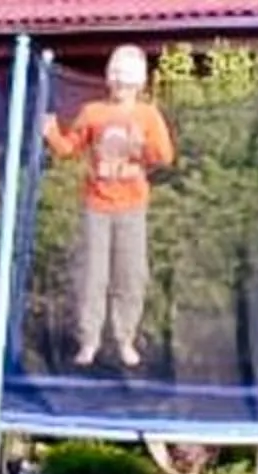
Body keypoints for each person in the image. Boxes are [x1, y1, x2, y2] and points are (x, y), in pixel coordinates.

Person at [45, 45, 174, 370]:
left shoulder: (148, 116)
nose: (121, 86)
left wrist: (140, 146)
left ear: (138, 83)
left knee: (130, 275)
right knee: (92, 274)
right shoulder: (93, 113)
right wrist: (51, 134)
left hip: (132, 206)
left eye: (127, 81)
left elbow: (165, 157)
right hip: (96, 205)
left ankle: (125, 339)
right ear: (109, 79)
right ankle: (89, 340)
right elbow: (69, 148)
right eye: (117, 79)